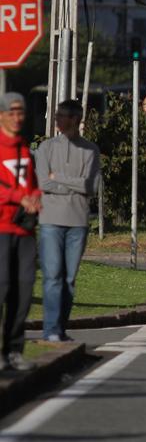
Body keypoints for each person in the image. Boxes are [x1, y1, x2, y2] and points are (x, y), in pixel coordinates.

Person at [35, 99, 100, 343]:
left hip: (78, 221)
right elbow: (43, 183)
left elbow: (91, 186)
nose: (57, 120)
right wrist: (73, 183)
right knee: (53, 276)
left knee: (69, 279)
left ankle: (60, 327)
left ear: (75, 119)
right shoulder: (46, 148)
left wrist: (59, 178)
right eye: (56, 115)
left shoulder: (90, 150)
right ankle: (51, 330)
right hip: (50, 219)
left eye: (61, 116)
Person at [0, 93, 42, 371]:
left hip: (25, 231)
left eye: (22, 112)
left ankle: (14, 350)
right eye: (13, 112)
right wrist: (19, 197)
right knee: (2, 288)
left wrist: (36, 196)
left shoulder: (25, 149)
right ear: (2, 114)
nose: (18, 117)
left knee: (24, 289)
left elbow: (33, 182)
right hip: (2, 229)